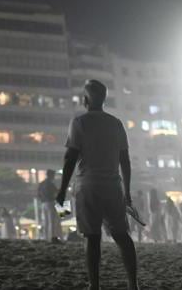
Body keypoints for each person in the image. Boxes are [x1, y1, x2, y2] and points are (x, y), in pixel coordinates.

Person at [56, 80, 139, 290]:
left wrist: (62, 189)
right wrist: (127, 192)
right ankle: (133, 284)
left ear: (86, 100)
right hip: (112, 186)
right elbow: (125, 161)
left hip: (88, 186)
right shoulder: (116, 123)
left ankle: (94, 286)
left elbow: (70, 158)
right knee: (122, 235)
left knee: (92, 238)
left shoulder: (79, 123)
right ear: (104, 98)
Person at [37, 169, 61, 242]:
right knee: (51, 221)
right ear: (51, 175)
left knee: (45, 221)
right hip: (50, 202)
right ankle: (52, 237)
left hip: (43, 203)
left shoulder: (41, 183)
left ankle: (45, 237)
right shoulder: (50, 183)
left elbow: (38, 194)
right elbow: (56, 191)